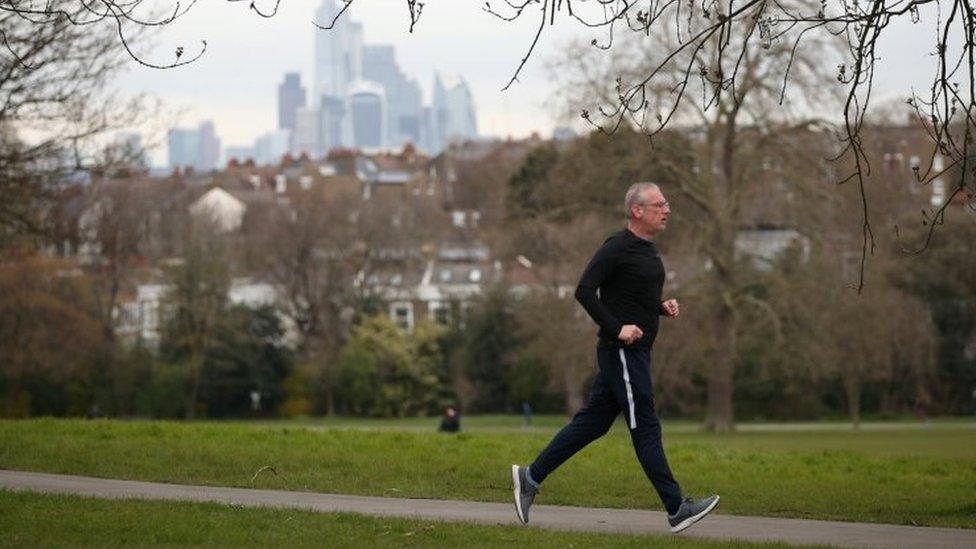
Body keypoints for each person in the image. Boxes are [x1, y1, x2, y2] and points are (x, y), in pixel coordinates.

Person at [511, 182, 719, 534]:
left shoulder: (646, 249)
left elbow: (629, 295)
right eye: (659, 204)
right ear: (637, 211)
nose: (667, 209)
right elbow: (584, 290)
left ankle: (530, 477)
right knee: (646, 425)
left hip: (634, 352)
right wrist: (617, 328)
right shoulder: (616, 247)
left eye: (666, 203)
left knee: (593, 423)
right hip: (623, 352)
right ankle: (676, 508)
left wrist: (659, 308)